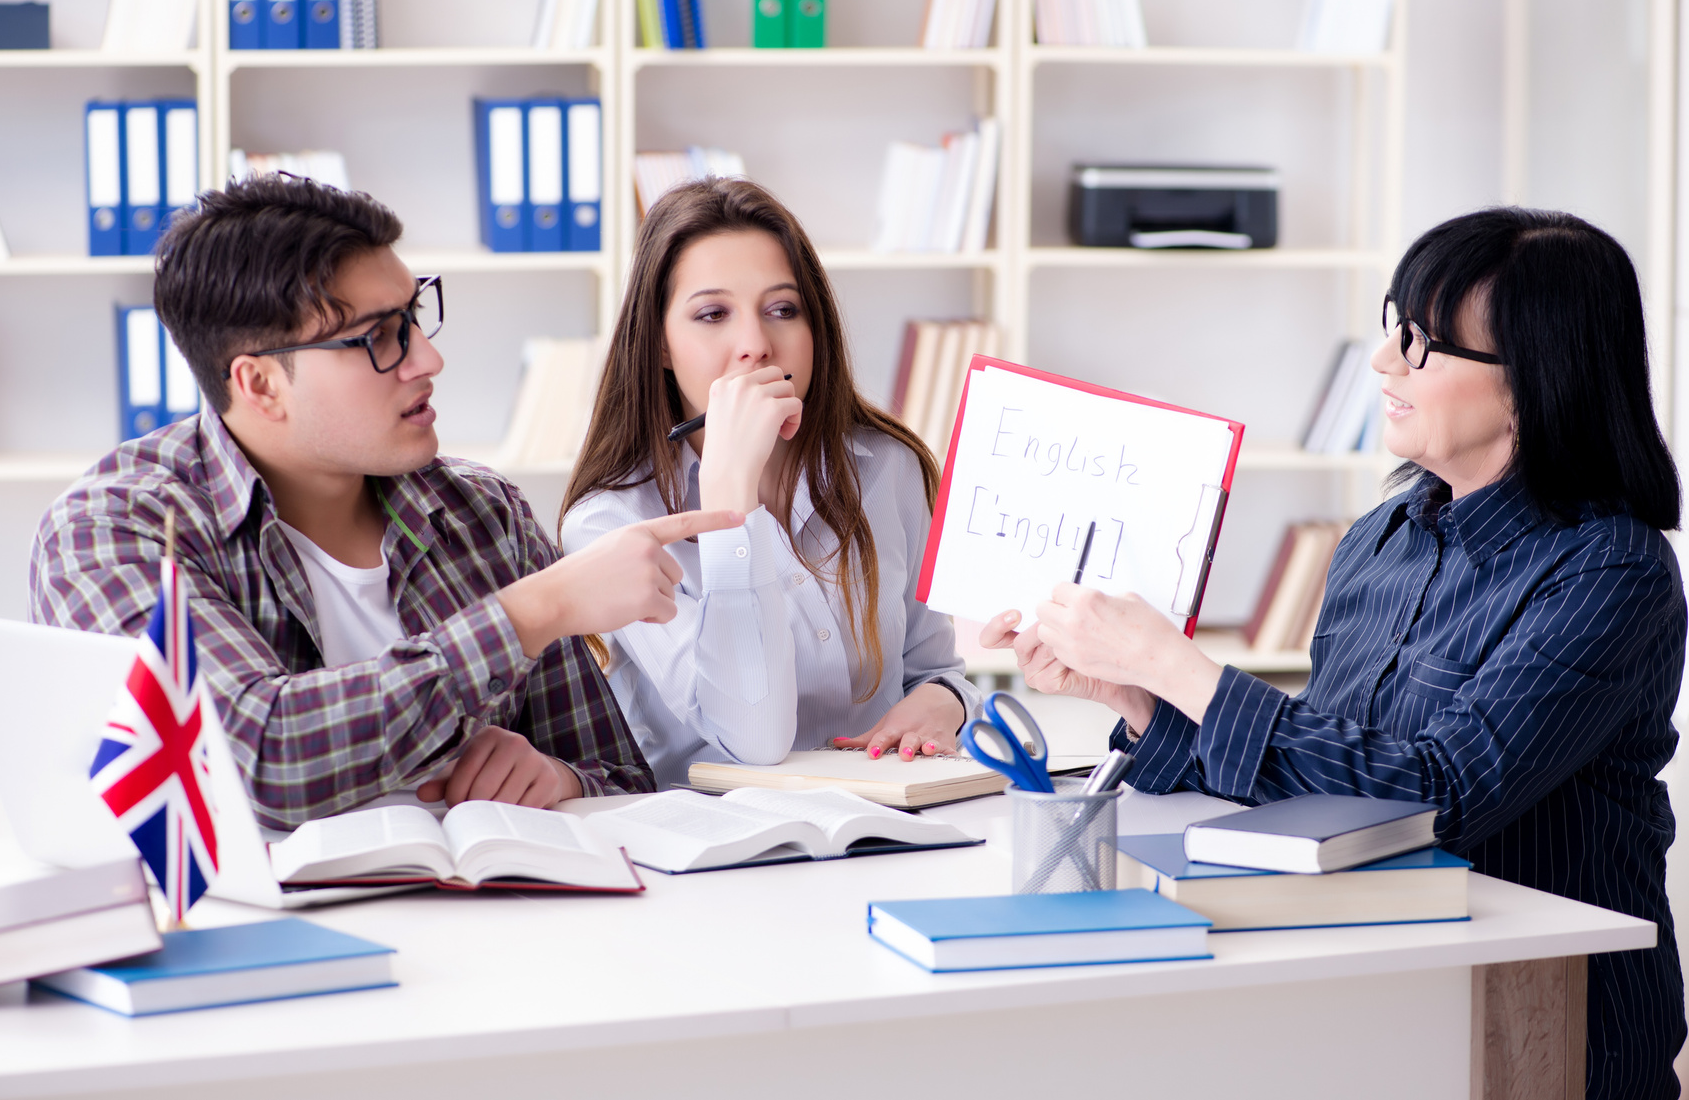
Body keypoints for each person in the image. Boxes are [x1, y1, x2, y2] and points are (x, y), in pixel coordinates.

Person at [983, 206, 1685, 1098]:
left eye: (1421, 344)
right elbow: (1324, 783)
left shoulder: (1610, 566)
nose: (1382, 362)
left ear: (1531, 378)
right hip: (1374, 984)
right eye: (1391, 327)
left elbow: (1441, 794)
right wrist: (1137, 700)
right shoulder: (1379, 536)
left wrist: (1181, 667)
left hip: (1541, 1022)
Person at [31, 175, 742, 829]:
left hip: (502, 937)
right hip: (248, 947)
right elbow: (251, 756)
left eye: (413, 316)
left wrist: (558, 780)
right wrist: (531, 612)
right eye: (376, 337)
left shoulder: (483, 515)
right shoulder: (112, 531)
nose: (426, 359)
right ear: (258, 384)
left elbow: (621, 781)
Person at [559, 178, 977, 790]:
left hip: (888, 828)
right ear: (661, 346)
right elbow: (752, 742)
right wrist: (732, 492)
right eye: (712, 315)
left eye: (783, 309)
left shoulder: (888, 467)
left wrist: (945, 701)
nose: (755, 345)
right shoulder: (611, 522)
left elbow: (934, 666)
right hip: (723, 853)